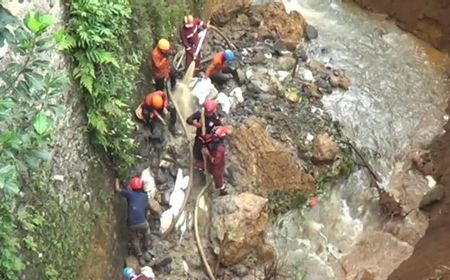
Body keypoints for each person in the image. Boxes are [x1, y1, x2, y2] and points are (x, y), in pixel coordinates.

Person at [115, 177, 152, 265]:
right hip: (142, 222)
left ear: (131, 186)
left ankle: (139, 255)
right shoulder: (144, 196)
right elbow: (146, 208)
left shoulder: (129, 194)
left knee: (134, 239)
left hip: (131, 224)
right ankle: (146, 248)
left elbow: (117, 189)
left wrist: (117, 179)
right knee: (147, 231)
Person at [186, 100, 222, 169]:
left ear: (213, 111)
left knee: (206, 157)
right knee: (196, 153)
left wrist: (212, 135)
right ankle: (196, 165)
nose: (207, 114)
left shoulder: (215, 119)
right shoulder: (200, 114)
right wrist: (195, 124)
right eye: (206, 112)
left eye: (209, 113)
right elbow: (188, 120)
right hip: (199, 139)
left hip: (208, 142)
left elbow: (219, 130)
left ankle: (205, 168)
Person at [201, 126, 229, 195]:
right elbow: (207, 138)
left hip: (217, 166)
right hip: (213, 162)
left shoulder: (220, 149)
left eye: (215, 137)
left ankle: (222, 191)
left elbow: (215, 161)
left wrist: (208, 154)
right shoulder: (215, 141)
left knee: (218, 179)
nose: (213, 138)